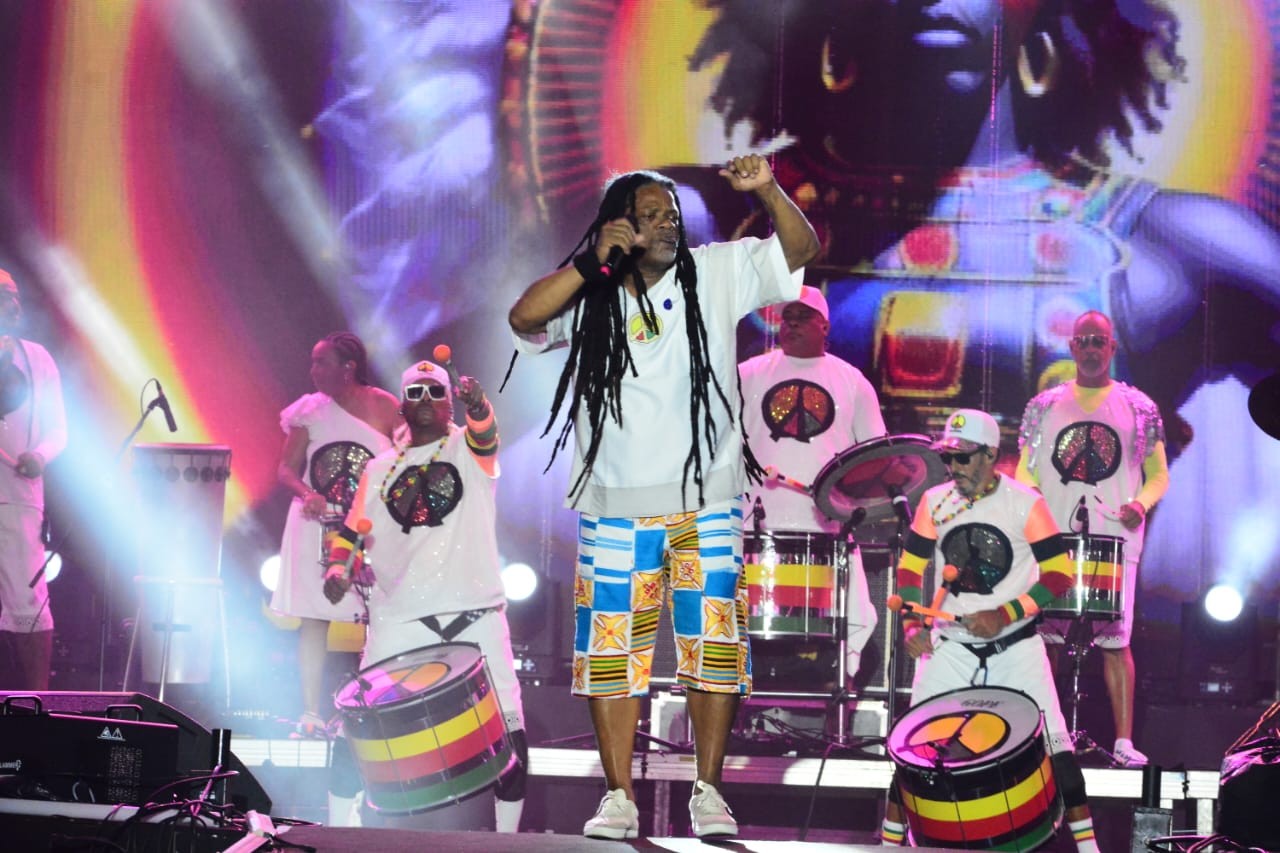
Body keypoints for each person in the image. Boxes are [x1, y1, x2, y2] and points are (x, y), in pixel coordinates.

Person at [508, 155, 819, 839]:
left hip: (708, 496)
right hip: (613, 503)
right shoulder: (591, 292)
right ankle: (618, 797)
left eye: (672, 214)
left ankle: (709, 791)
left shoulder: (716, 270)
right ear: (619, 224)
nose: (668, 224)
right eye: (651, 215)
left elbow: (800, 250)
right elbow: (523, 317)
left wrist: (768, 190)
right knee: (612, 657)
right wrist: (591, 262)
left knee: (714, 646)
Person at [881, 409, 1099, 851]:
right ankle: (887, 848)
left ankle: (1090, 849)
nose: (953, 467)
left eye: (963, 458)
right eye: (948, 458)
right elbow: (909, 569)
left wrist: (1005, 613)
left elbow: (1059, 575)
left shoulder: (1026, 503)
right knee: (912, 760)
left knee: (1059, 755)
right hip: (950, 648)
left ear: (991, 455)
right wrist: (911, 623)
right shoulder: (934, 502)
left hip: (1017, 649)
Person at [323, 359, 526, 833]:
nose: (427, 400)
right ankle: (334, 834)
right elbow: (350, 534)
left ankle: (508, 843)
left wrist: (480, 405)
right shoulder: (378, 469)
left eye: (436, 391)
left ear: (450, 401)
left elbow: (486, 433)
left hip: (474, 614)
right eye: (415, 393)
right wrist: (337, 567)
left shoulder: (468, 451)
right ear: (402, 406)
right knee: (360, 727)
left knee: (507, 729)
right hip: (399, 618)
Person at [1016, 310, 1169, 768]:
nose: (1089, 348)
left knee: (1115, 641)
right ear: (1071, 347)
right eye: (1082, 340)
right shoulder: (1044, 406)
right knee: (1046, 638)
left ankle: (1123, 741)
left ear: (1112, 347)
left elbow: (1158, 475)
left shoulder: (1138, 407)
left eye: (1098, 340)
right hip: (1054, 539)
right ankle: (1042, 736)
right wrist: (1032, 503)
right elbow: (1025, 470)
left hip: (1114, 539)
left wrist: (1140, 504)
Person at [738, 285, 886, 683]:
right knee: (748, 633)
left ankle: (833, 703)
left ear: (825, 326)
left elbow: (875, 461)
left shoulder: (852, 382)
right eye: (786, 318)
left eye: (803, 317)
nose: (792, 324)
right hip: (754, 529)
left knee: (835, 635)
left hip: (825, 533)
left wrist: (845, 499)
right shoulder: (748, 375)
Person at [270, 332, 401, 743]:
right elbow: (286, 469)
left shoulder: (385, 405)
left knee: (377, 616)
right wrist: (307, 492)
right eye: (312, 362)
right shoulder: (309, 410)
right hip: (317, 522)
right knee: (314, 617)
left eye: (321, 362)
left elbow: (405, 459)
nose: (313, 370)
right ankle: (311, 714)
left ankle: (366, 711)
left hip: (367, 526)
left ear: (349, 367)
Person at [0, 269, 66, 691]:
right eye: (4, 294)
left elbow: (58, 428)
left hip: (20, 499)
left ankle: (36, 703)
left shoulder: (37, 358)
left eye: (15, 294)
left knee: (28, 602)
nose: (13, 302)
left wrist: (39, 456)